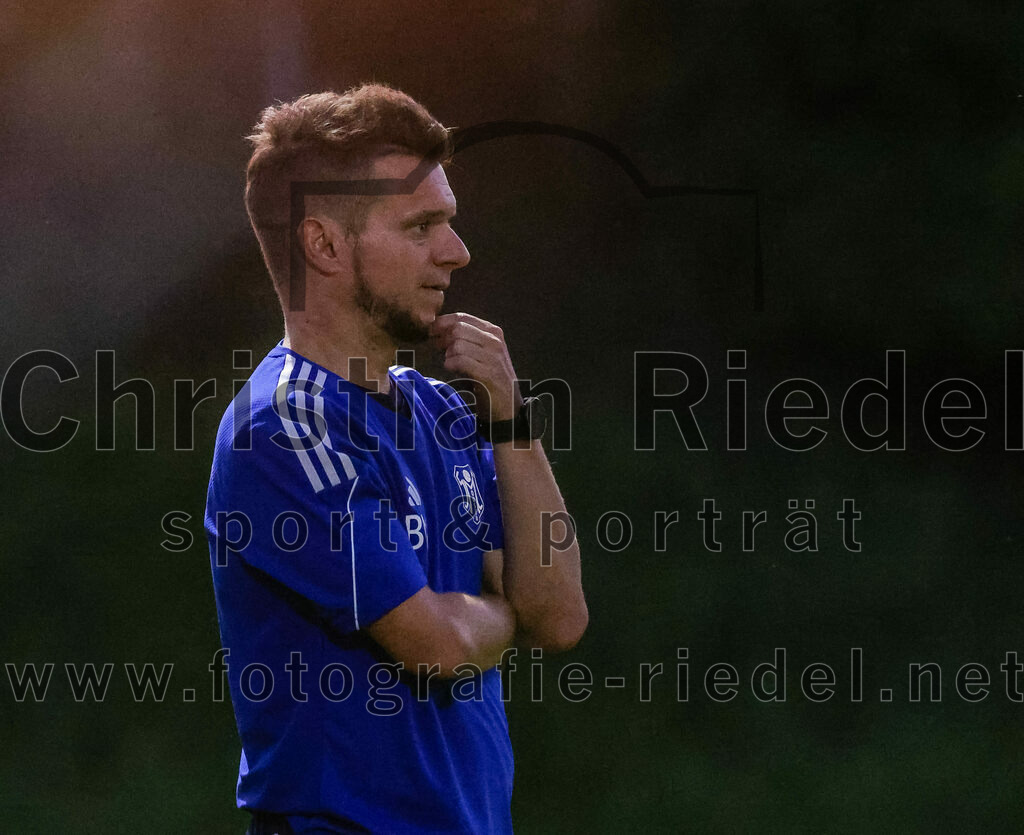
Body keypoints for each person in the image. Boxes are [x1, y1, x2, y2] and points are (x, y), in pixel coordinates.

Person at [205, 83, 588, 834]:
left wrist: (511, 419)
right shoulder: (287, 425)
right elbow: (438, 646)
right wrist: (504, 611)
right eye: (421, 225)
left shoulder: (443, 409)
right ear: (323, 243)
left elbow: (562, 613)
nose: (457, 250)